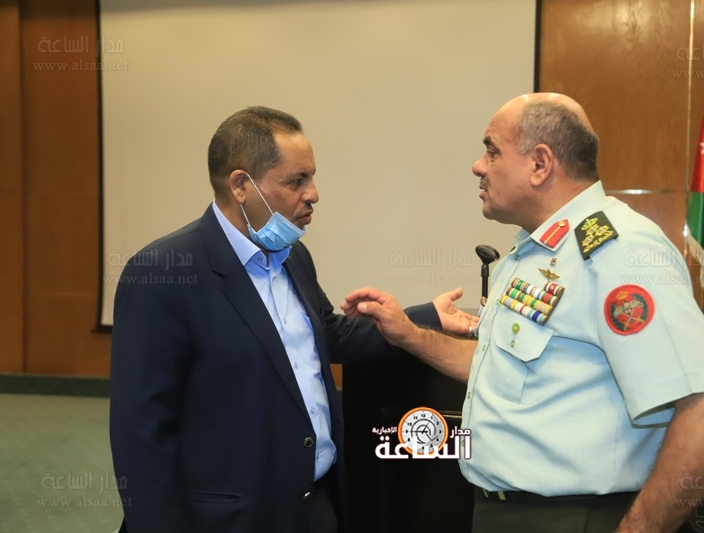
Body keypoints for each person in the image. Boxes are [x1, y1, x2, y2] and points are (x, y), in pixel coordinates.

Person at [343, 93, 704, 533]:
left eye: (491, 151)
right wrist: (409, 333)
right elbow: (496, 364)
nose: (478, 166)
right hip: (503, 511)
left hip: (574, 516)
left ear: (540, 164)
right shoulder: (533, 250)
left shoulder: (619, 250)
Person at [108, 106, 470, 533]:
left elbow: (325, 334)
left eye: (312, 177)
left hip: (314, 506)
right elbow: (141, 433)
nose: (313, 194)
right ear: (241, 185)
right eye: (297, 181)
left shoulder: (292, 255)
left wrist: (424, 319)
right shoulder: (164, 271)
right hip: (228, 520)